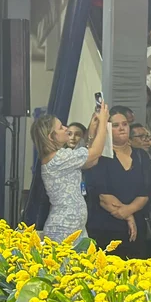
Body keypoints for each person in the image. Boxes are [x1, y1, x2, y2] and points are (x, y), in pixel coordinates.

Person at [30, 103, 108, 241]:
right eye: (61, 128)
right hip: (63, 228)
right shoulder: (60, 159)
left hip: (73, 227)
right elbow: (96, 152)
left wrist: (92, 132)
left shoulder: (61, 157)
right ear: (51, 136)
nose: (66, 129)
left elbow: (91, 161)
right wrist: (103, 123)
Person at [86, 108, 151, 258]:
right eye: (116, 125)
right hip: (106, 227)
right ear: (108, 129)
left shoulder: (141, 155)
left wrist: (129, 211)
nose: (122, 128)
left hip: (137, 229)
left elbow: (146, 192)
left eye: (124, 124)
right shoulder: (101, 157)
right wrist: (128, 217)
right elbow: (103, 195)